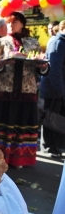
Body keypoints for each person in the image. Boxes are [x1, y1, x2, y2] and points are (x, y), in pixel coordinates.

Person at [0, 11, 49, 168]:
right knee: (2, 124)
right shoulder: (1, 41)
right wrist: (2, 63)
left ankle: (19, 159)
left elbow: (41, 64)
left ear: (22, 24)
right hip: (4, 91)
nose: (11, 25)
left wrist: (43, 66)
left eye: (15, 22)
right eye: (9, 22)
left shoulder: (33, 42)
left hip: (27, 91)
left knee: (21, 124)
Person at [40, 20, 65, 158]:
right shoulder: (58, 42)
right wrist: (60, 91)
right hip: (55, 90)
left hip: (58, 89)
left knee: (58, 119)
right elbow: (55, 69)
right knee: (51, 118)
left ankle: (55, 147)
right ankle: (49, 147)